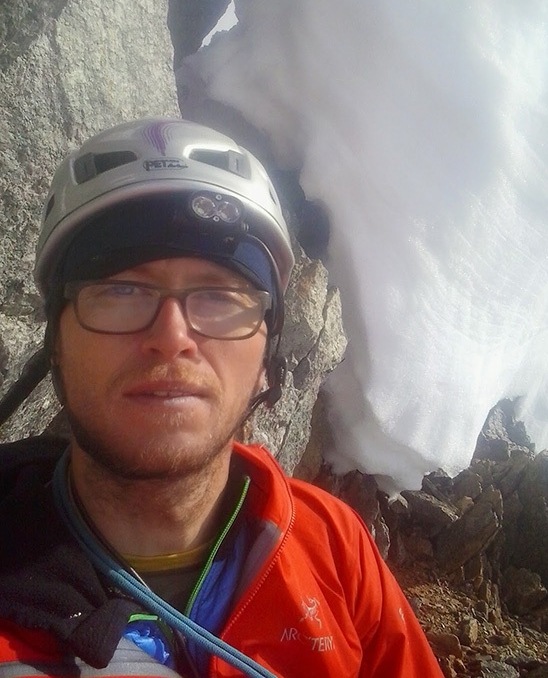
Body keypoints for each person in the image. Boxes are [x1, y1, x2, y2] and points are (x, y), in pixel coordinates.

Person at [0, 118, 443, 678]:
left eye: (219, 295)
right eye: (119, 291)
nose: (172, 337)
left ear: (266, 361)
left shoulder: (332, 545)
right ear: (56, 343)